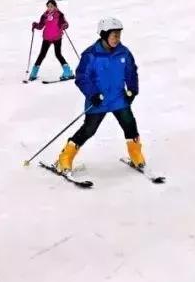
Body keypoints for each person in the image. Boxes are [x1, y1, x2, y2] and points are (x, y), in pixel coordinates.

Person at [54, 17, 145, 173]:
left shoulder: (124, 53)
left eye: (119, 35)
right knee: (89, 130)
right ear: (104, 35)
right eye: (114, 35)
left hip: (119, 99)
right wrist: (93, 94)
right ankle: (65, 157)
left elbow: (131, 72)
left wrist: (133, 89)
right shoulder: (91, 55)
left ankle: (135, 153)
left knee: (130, 125)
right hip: (98, 101)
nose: (117, 39)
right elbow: (82, 77)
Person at [28, 0, 73, 82]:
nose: (50, 8)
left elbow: (65, 24)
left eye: (51, 6)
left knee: (58, 54)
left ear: (55, 6)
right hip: (47, 38)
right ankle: (33, 74)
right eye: (48, 6)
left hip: (57, 37)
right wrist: (35, 25)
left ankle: (68, 72)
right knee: (42, 55)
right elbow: (41, 26)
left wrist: (64, 25)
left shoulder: (59, 15)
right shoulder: (44, 16)